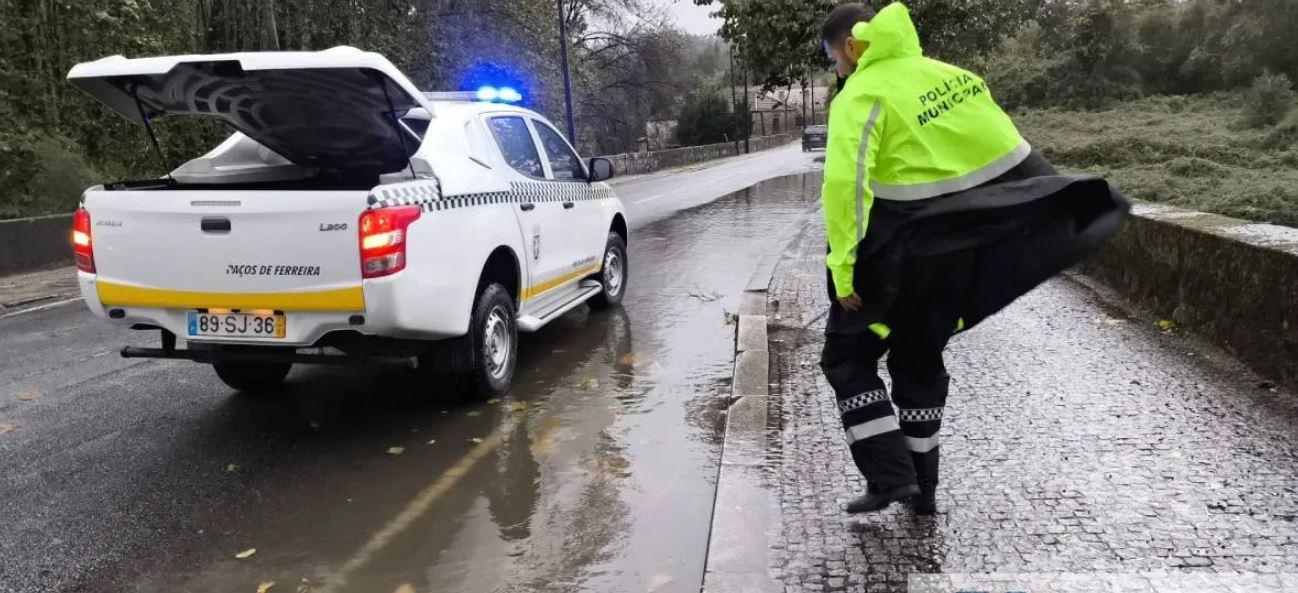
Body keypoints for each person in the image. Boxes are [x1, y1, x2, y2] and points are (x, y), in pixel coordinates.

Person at [817, 2, 1129, 515]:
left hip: (900, 259)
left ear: (852, 46)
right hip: (959, 257)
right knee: (917, 358)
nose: (836, 67)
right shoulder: (956, 78)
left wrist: (843, 269)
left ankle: (890, 476)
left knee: (847, 358)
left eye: (833, 56)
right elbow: (1010, 155)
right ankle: (924, 490)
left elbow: (845, 188)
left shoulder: (861, 94)